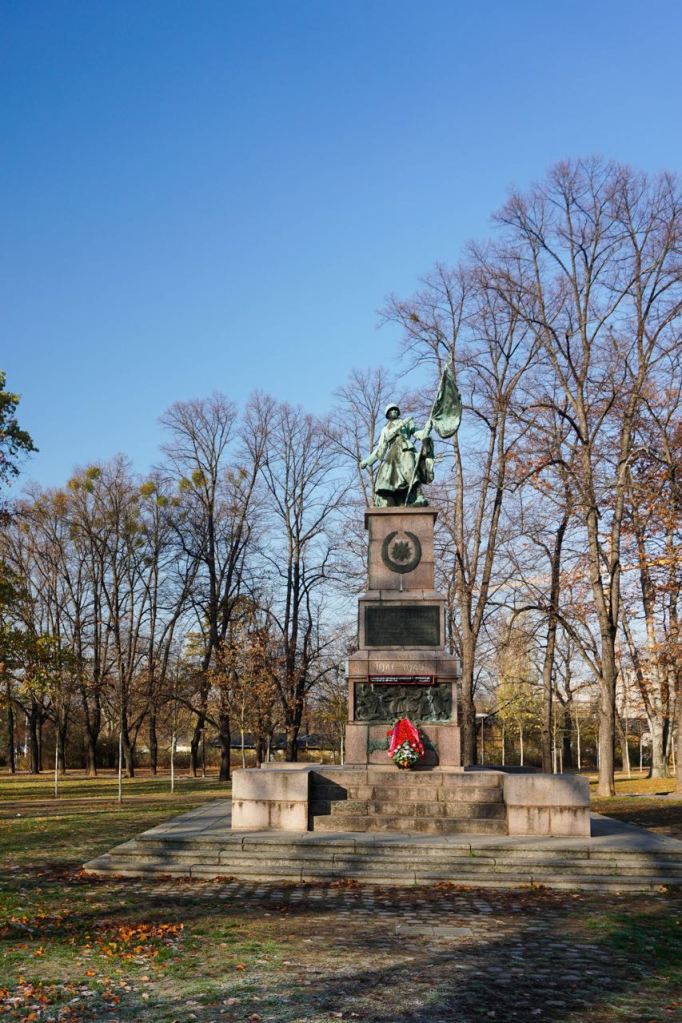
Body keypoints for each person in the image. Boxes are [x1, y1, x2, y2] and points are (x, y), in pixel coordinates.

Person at [359, 404, 433, 507]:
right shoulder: (385, 430)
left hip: (406, 448)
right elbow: (381, 449)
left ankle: (419, 495)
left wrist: (427, 428)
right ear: (388, 414)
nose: (394, 411)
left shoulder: (408, 422)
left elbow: (418, 434)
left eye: (395, 410)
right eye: (391, 410)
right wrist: (367, 461)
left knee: (410, 470)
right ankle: (388, 501)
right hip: (392, 454)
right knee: (386, 477)